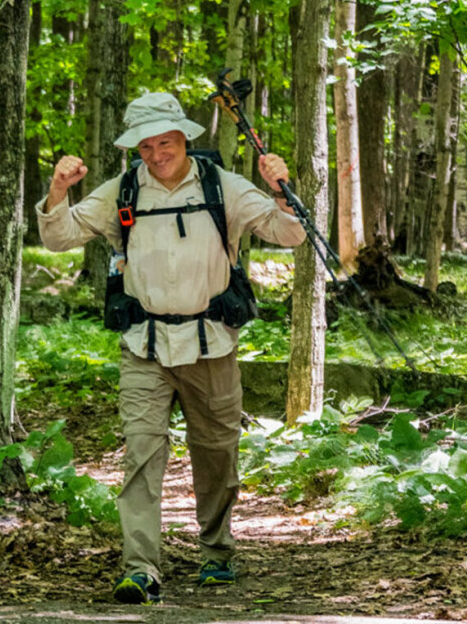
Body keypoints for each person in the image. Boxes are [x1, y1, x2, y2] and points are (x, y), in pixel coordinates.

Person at [36, 92, 305, 604]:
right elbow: (59, 237)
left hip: (212, 345)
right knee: (141, 454)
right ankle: (141, 568)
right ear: (136, 148)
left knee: (217, 455)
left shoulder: (220, 186)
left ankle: (218, 555)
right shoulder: (124, 190)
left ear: (184, 138)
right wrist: (58, 191)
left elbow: (289, 233)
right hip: (144, 345)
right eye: (147, 145)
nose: (157, 153)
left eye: (166, 142)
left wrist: (281, 191)